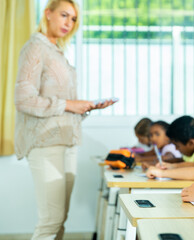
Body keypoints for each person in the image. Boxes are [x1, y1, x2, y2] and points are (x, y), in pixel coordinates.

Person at [14, 0, 115, 239]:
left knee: (60, 219)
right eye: (64, 15)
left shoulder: (56, 52)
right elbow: (24, 100)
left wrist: (86, 106)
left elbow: (60, 102)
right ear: (47, 14)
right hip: (45, 142)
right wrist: (71, 104)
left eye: (73, 19)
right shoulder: (35, 48)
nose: (68, 23)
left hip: (67, 140)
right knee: (50, 220)